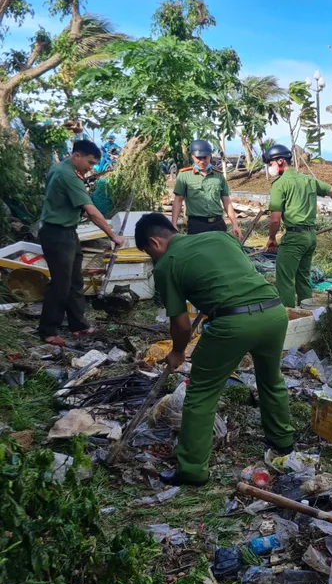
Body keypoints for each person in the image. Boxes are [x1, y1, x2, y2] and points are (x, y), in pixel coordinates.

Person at [134, 213, 294, 487]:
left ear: (154, 242)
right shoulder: (220, 236)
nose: (153, 259)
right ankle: (283, 440)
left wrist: (177, 352)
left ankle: (192, 470)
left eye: (150, 253)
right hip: (274, 312)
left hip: (232, 323)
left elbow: (182, 326)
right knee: (270, 379)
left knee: (201, 393)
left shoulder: (166, 265)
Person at [38, 139, 125, 346]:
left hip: (66, 231)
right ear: (76, 156)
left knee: (75, 280)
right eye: (90, 162)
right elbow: (92, 211)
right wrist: (112, 236)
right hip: (57, 234)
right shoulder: (68, 176)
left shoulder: (59, 168)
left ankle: (78, 325)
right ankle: (48, 330)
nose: (91, 168)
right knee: (60, 284)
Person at [264, 144, 332, 307]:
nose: (269, 168)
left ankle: (289, 319)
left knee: (285, 281)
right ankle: (309, 315)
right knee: (303, 279)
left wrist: (271, 238)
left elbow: (275, 220)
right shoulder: (308, 180)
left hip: (294, 238)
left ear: (280, 161)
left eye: (270, 164)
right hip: (310, 237)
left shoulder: (280, 184)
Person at [171, 140, 241, 237]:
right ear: (192, 156)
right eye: (198, 158)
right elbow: (178, 201)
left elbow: (226, 202)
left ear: (210, 156)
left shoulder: (219, 176)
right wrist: (173, 224)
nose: (202, 161)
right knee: (198, 251)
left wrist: (235, 224)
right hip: (197, 225)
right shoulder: (184, 175)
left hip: (218, 224)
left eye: (205, 157)